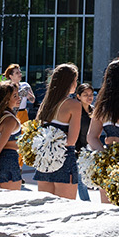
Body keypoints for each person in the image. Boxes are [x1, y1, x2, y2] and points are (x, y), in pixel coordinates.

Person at [90, 59, 119, 205]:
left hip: (110, 158)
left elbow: (92, 137)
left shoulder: (101, 105)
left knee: (107, 207)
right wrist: (111, 157)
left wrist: (105, 156)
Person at [34, 63, 83, 199]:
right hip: (64, 160)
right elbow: (72, 141)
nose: (76, 84)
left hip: (44, 162)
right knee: (65, 210)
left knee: (45, 210)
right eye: (75, 80)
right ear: (69, 82)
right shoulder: (74, 105)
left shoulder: (45, 104)